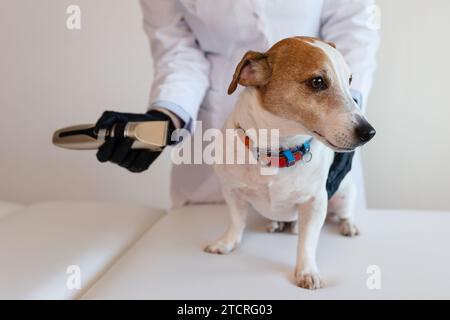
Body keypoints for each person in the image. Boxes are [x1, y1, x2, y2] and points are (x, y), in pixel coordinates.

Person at [95, 0, 379, 208]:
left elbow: (354, 31)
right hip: (219, 140)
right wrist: (166, 115)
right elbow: (177, 51)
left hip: (313, 143)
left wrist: (345, 112)